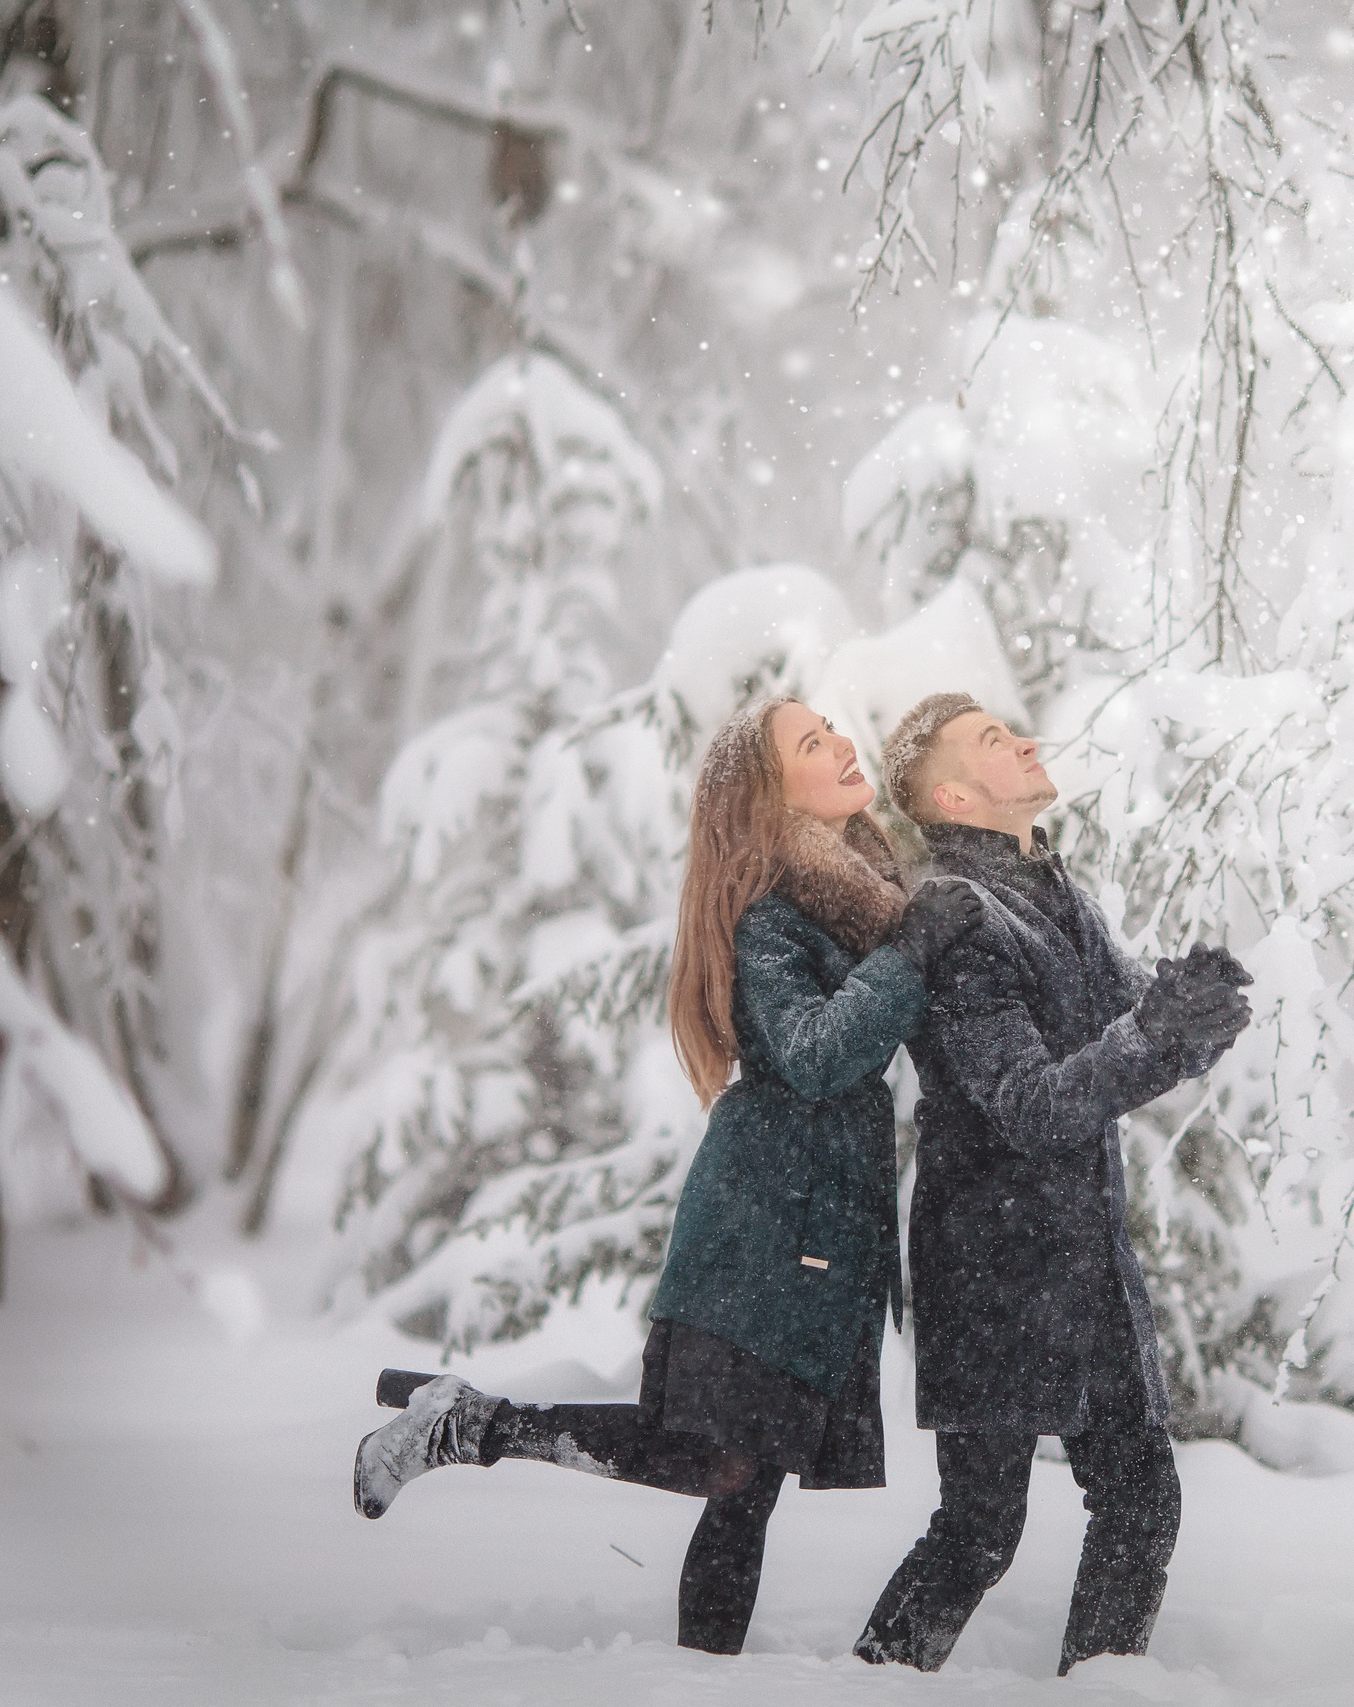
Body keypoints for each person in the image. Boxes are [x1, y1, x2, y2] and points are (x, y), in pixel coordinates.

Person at [348, 695, 981, 1655]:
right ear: (770, 797)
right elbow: (812, 1052)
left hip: (813, 1237)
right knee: (721, 1466)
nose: (842, 743)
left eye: (830, 728)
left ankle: (483, 1437)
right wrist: (908, 956)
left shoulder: (858, 898)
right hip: (766, 1230)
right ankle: (471, 1425)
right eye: (812, 744)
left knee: (744, 1481)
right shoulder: (774, 912)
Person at [854, 692, 1253, 1676]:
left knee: (1139, 1497)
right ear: (950, 791)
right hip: (992, 1262)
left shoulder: (1056, 893)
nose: (1026, 739)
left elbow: (1126, 1043)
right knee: (979, 1534)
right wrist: (1158, 1032)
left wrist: (1191, 1015)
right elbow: (1033, 1103)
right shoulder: (954, 916)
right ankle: (869, 1684)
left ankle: (1100, 1692)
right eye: (993, 739)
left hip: (1082, 1253)